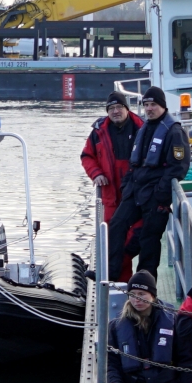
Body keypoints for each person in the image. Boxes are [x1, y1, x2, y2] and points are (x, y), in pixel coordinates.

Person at [106, 87, 191, 277]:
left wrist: (160, 196)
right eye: (146, 105)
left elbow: (178, 167)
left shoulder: (174, 131)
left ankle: (144, 285)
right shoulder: (145, 127)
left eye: (153, 104)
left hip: (155, 195)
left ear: (162, 106)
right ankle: (111, 272)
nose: (149, 108)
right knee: (116, 225)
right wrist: (126, 185)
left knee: (149, 240)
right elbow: (134, 162)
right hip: (135, 190)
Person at [79, 91, 143, 279]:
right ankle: (115, 280)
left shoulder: (142, 128)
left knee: (134, 239)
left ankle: (115, 275)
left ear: (126, 108)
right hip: (111, 196)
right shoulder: (98, 132)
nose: (115, 111)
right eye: (111, 108)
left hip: (136, 195)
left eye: (119, 107)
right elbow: (86, 156)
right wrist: (96, 173)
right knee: (111, 239)